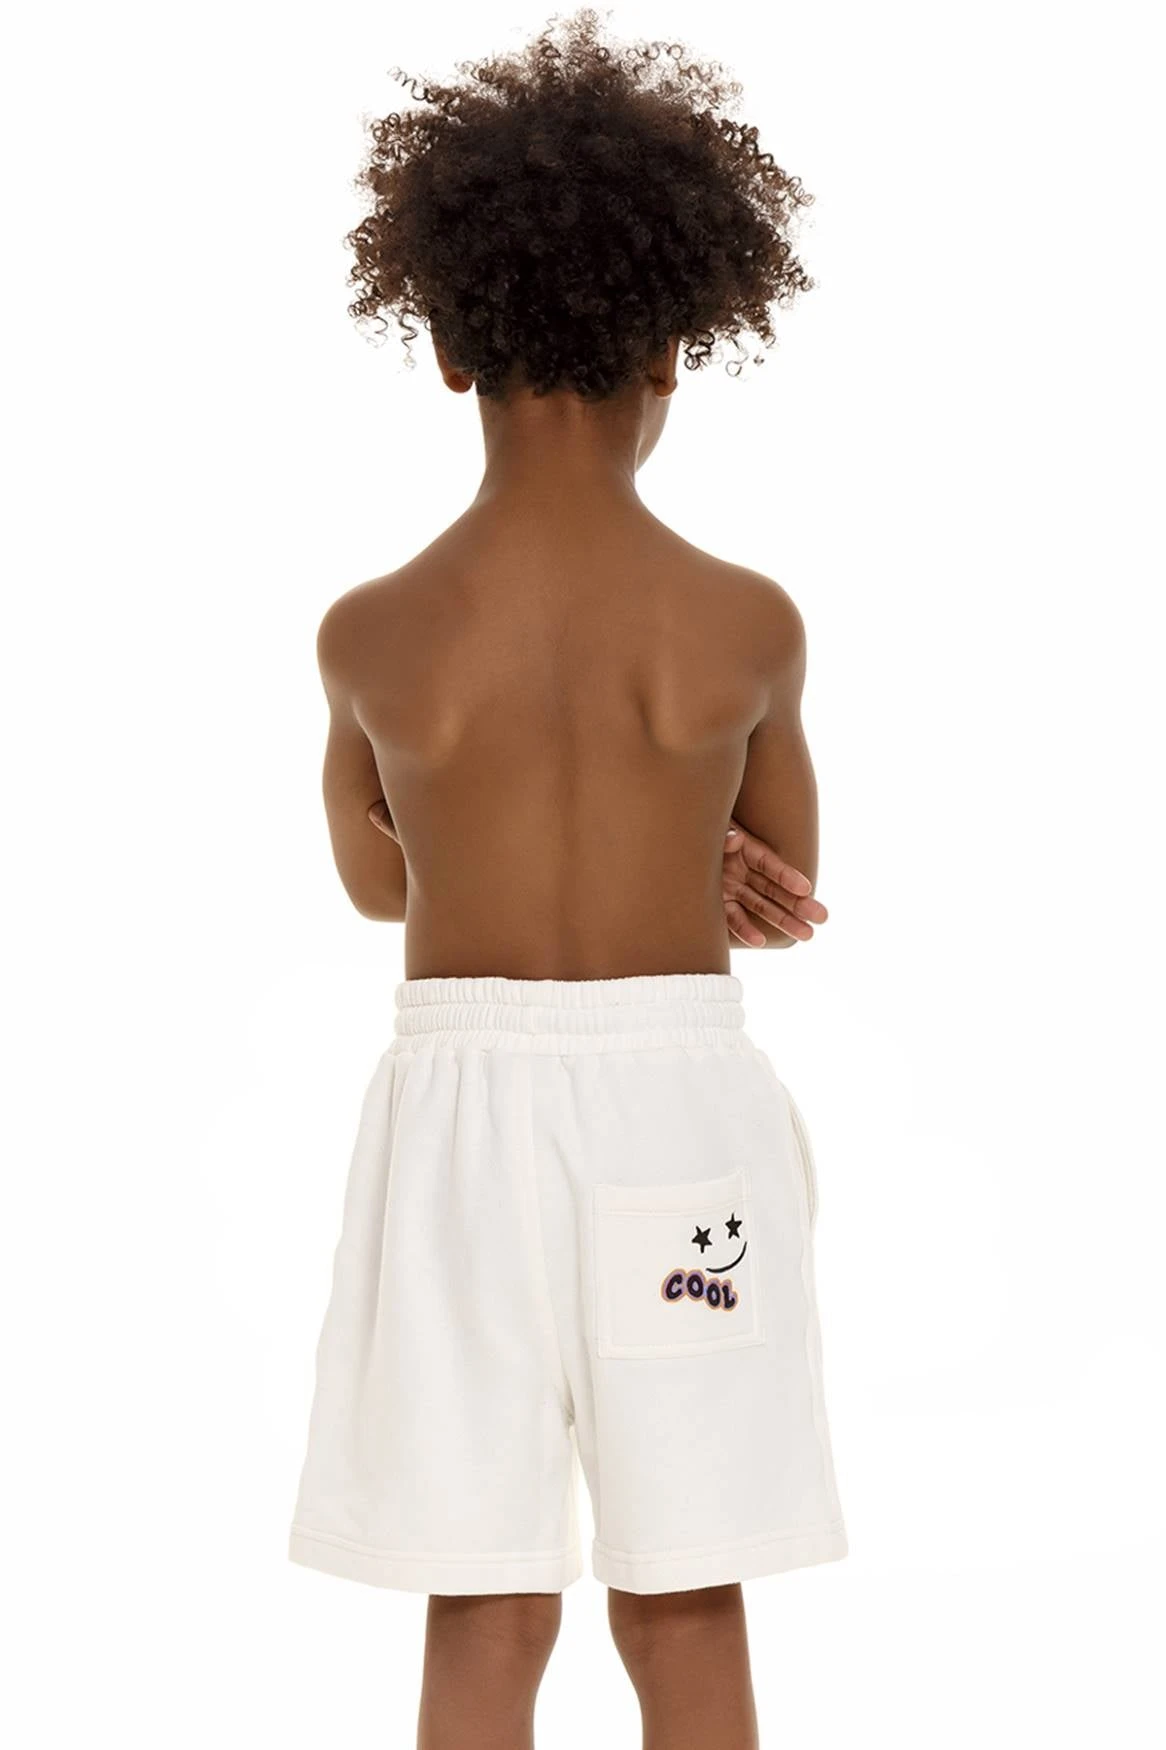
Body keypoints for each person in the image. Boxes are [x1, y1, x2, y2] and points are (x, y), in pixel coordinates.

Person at [288, 11, 847, 1747]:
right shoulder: (743, 622)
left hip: (459, 1109)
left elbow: (376, 891)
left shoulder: (372, 633)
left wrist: (453, 830)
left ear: (446, 346)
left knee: (483, 1594)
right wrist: (698, 852)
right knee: (685, 1593)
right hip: (677, 1106)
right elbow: (782, 889)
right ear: (678, 340)